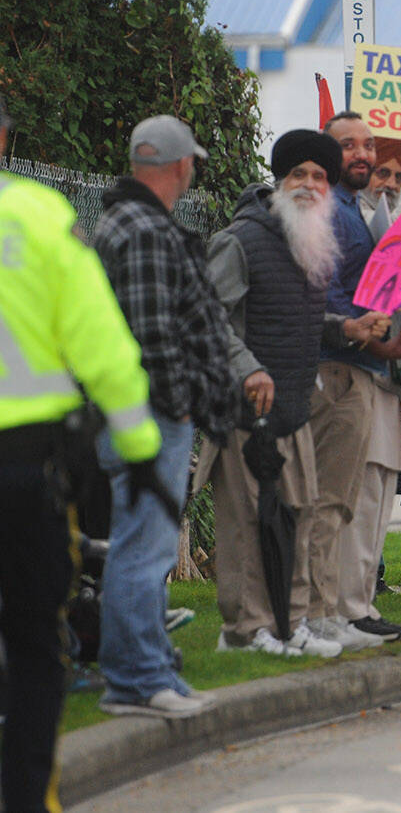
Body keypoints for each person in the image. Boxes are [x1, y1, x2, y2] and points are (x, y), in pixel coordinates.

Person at [0, 97, 164, 813]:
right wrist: (142, 450)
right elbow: (102, 345)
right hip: (25, 467)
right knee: (37, 645)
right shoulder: (36, 216)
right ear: (6, 139)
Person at [199, 129, 388, 657]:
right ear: (279, 180)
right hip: (246, 410)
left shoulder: (311, 240)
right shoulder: (240, 239)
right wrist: (248, 370)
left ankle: (290, 623)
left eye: (319, 177)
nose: (309, 185)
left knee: (300, 516)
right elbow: (210, 320)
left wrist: (345, 329)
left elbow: (294, 318)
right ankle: (246, 630)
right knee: (246, 524)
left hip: (295, 402)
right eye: (298, 175)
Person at [91, 115, 236, 718]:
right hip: (150, 415)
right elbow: (155, 335)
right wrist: (184, 404)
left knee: (137, 544)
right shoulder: (148, 230)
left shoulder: (120, 222)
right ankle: (137, 679)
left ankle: (145, 673)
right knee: (144, 549)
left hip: (128, 412)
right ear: (181, 166)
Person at [307, 112, 401, 653]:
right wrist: (372, 339)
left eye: (368, 144)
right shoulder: (329, 212)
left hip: (377, 369)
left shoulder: (359, 211)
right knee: (350, 498)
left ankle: (358, 604)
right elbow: (326, 298)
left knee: (374, 493)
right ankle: (344, 608)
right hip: (347, 367)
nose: (363, 154)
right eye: (348, 145)